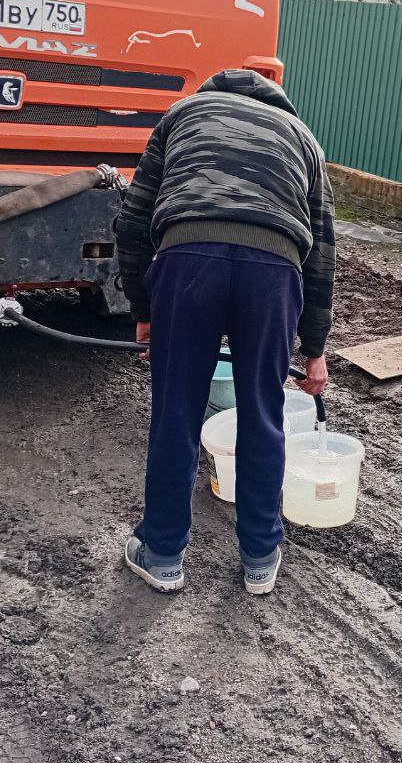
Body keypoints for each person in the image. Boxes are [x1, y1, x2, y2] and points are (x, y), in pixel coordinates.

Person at [115, 69, 335, 595]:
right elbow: (323, 249)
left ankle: (163, 553)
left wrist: (144, 308)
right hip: (274, 271)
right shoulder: (303, 138)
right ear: (279, 100)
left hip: (187, 259)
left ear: (215, 93)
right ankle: (260, 557)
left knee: (177, 411)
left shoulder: (182, 114)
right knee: (263, 411)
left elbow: (133, 217)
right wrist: (315, 348)